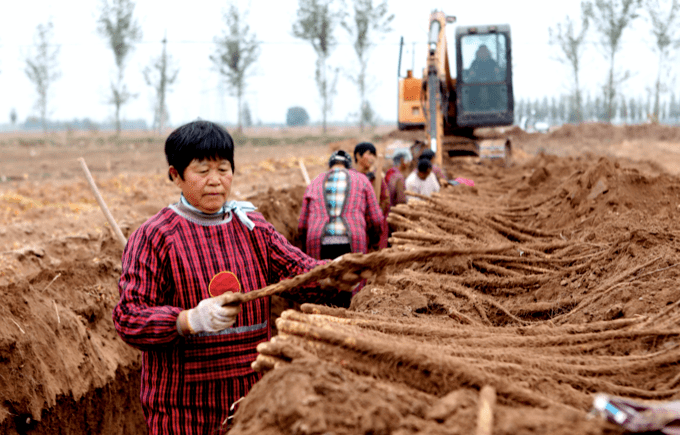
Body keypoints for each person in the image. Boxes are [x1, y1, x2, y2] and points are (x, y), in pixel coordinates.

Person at [112, 120, 360, 435]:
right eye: (202, 171)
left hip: (251, 402)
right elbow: (129, 316)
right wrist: (188, 320)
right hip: (183, 410)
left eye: (223, 169)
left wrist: (333, 275)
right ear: (175, 175)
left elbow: (298, 271)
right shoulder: (155, 236)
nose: (215, 181)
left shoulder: (252, 227)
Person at [298, 149, 383, 262]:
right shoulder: (362, 180)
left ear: (330, 167)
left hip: (318, 242)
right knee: (353, 278)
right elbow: (376, 220)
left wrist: (305, 248)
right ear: (348, 167)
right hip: (353, 240)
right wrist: (374, 243)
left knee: (321, 278)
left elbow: (302, 226)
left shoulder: (314, 183)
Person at [353, 142, 390, 249]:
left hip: (375, 230)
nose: (372, 158)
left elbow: (385, 201)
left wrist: (376, 214)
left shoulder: (377, 179)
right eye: (369, 154)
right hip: (357, 227)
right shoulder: (351, 177)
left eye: (374, 155)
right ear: (358, 156)